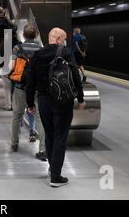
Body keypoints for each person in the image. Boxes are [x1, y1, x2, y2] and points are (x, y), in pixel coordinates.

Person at [26, 28, 86, 187]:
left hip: (44, 101)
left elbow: (30, 80)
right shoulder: (66, 52)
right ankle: (56, 177)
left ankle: (53, 168)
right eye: (65, 38)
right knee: (60, 137)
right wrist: (80, 98)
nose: (66, 41)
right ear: (59, 39)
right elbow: (75, 75)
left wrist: (30, 103)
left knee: (50, 135)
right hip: (63, 101)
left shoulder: (38, 54)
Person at [9, 25, 46, 161]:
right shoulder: (41, 49)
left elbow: (12, 66)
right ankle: (42, 149)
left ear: (23, 35)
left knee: (17, 115)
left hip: (21, 86)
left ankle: (14, 143)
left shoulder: (18, 48)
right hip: (37, 88)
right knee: (39, 117)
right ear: (35, 35)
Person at [0, 7, 17, 111]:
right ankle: (15, 104)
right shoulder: (8, 21)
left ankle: (8, 104)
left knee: (6, 84)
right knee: (16, 85)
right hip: (8, 44)